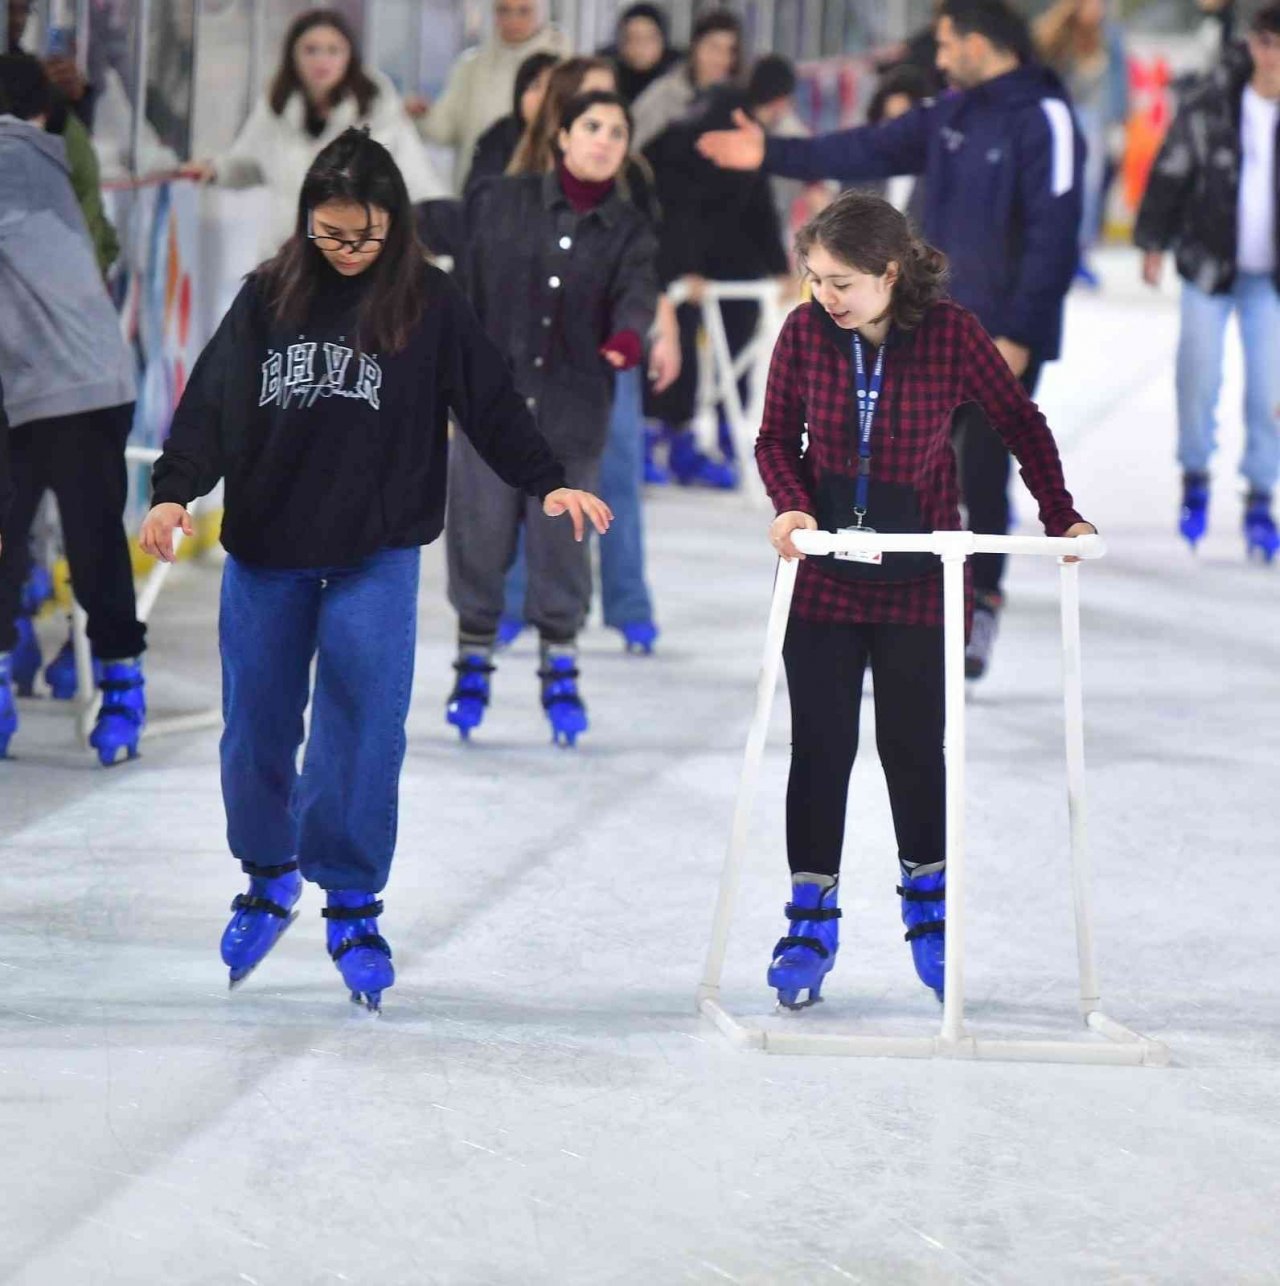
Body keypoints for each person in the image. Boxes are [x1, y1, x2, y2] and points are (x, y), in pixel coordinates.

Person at [139, 129, 609, 1009]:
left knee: (362, 730)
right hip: (268, 552)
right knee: (256, 734)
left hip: (375, 554)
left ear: (394, 225)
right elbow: (209, 406)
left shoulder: (428, 303)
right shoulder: (267, 297)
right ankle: (269, 874)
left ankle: (352, 901)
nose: (349, 252)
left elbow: (492, 402)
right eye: (331, 233)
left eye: (366, 235)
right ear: (307, 221)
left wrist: (545, 483)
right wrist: (174, 494)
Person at [757, 191, 1095, 1009]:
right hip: (827, 573)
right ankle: (811, 915)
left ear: (890, 270)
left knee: (914, 750)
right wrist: (793, 504)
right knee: (821, 750)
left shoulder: (950, 336)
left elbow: (1020, 421)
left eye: (841, 282)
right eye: (814, 279)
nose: (825, 298)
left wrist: (1061, 514)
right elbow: (775, 439)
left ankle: (930, 913)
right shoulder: (805, 333)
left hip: (920, 573)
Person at [697, 0, 1084, 680]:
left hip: (1001, 334)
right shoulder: (953, 113)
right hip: (924, 331)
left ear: (979, 42)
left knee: (985, 474)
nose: (938, 59)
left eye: (945, 45)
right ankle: (899, 602)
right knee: (920, 472)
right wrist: (773, 154)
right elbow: (864, 146)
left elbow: (1057, 233)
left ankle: (980, 605)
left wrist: (1021, 332)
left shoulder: (1044, 116)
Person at [446, 91, 658, 745]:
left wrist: (626, 338)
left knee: (562, 549)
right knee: (478, 537)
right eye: (592, 127)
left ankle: (560, 664)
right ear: (562, 137)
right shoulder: (501, 202)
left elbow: (637, 296)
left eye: (617, 132)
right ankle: (473, 658)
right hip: (494, 410)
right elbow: (462, 273)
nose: (603, 140)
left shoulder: (629, 229)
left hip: (572, 413)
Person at [498, 57, 681, 654]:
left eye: (611, 106)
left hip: (607, 353)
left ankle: (630, 604)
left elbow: (653, 266)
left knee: (618, 473)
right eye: (587, 102)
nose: (604, 125)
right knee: (528, 475)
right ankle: (514, 600)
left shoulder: (634, 174)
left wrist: (662, 328)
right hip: (531, 353)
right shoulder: (517, 165)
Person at [0, 63, 145, 765]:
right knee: (84, 544)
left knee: (69, 544)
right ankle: (116, 682)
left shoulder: (7, 156)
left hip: (66, 383)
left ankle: (118, 681)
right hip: (74, 378)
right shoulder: (43, 159)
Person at [1134, 1, 1280, 562]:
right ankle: (1195, 475)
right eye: (1263, 42)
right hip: (1209, 264)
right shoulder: (1214, 102)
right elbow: (1172, 169)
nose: (1269, 56)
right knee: (1199, 377)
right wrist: (1151, 241)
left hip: (1270, 278)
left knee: (1268, 391)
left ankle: (1261, 493)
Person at [638, 11, 789, 489]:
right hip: (677, 249)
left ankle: (712, 439)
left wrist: (780, 265)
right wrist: (686, 267)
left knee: (736, 334)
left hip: (722, 253)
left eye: (730, 50)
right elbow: (683, 198)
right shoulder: (698, 113)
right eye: (713, 47)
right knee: (674, 337)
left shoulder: (736, 113)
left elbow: (756, 202)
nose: (721, 59)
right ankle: (660, 439)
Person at [180, 8, 446, 258]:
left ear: (349, 56)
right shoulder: (276, 107)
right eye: (311, 50)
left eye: (333, 50)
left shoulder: (380, 114)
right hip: (289, 257)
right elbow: (249, 161)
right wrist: (215, 170)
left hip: (359, 262)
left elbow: (416, 182)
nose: (322, 60)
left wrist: (434, 242)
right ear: (292, 55)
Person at [410, 0, 570, 195]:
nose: (513, 20)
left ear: (541, 13)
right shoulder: (471, 67)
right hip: (478, 189)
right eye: (503, 10)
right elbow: (446, 128)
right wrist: (422, 116)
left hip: (545, 193)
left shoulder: (564, 66)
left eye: (524, 11)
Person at [1036, 0, 1129, 287]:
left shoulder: (1109, 35)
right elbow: (1040, 64)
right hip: (1059, 118)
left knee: (1088, 191)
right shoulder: (1059, 33)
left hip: (1093, 122)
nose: (1097, 7)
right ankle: (1051, 255)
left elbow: (1118, 83)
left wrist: (1119, 121)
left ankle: (1079, 254)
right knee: (1054, 188)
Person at [463, 49, 559, 199]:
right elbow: (478, 197)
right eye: (534, 86)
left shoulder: (578, 140)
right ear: (519, 95)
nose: (544, 96)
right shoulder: (497, 137)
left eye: (551, 88)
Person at [600, 3, 681, 106]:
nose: (641, 46)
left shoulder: (678, 82)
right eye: (633, 38)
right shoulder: (607, 80)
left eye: (648, 38)